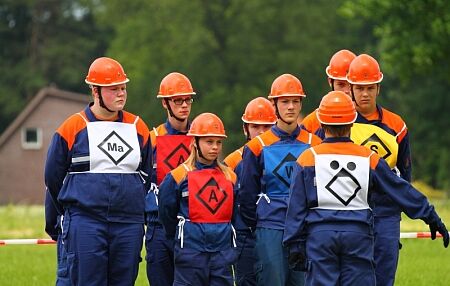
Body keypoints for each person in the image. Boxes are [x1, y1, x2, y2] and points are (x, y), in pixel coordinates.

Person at [283, 91, 449, 286]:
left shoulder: (306, 159)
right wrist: (430, 216)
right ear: (352, 123)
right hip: (358, 235)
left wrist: (294, 244)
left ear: (321, 123)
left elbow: (296, 208)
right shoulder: (369, 158)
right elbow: (400, 189)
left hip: (321, 237)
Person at [44, 57, 152, 285]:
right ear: (95, 91)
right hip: (86, 222)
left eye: (123, 88)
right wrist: (67, 216)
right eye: (114, 89)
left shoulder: (138, 128)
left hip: (129, 224)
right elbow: (52, 180)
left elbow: (146, 176)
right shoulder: (72, 127)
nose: (121, 94)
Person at [238, 74, 322, 286]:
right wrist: (264, 221)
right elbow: (246, 197)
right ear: (274, 105)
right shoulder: (256, 147)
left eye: (295, 101)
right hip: (270, 228)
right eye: (285, 101)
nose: (291, 107)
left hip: (306, 229)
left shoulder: (316, 144)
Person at [346, 54, 412, 286]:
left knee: (384, 279)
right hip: (350, 212)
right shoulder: (338, 123)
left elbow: (405, 176)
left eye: (370, 88)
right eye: (360, 88)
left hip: (386, 213)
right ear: (351, 89)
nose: (365, 94)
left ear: (378, 89)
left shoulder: (397, 125)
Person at [159, 112, 238, 286]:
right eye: (209, 142)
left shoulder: (230, 177)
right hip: (190, 255)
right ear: (195, 142)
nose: (215, 147)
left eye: (218, 142)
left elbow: (236, 215)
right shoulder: (177, 176)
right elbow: (166, 214)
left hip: (222, 256)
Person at [145, 72, 195, 286]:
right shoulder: (151, 139)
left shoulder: (201, 137)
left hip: (193, 225)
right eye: (178, 100)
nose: (184, 105)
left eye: (188, 100)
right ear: (165, 103)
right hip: (158, 227)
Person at [223, 97, 277, 286]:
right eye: (256, 127)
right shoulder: (232, 162)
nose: (261, 133)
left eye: (266, 127)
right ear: (246, 128)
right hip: (245, 237)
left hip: (276, 233)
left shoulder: (282, 156)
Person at [301, 49, 356, 138]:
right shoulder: (311, 123)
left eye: (350, 85)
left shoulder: (373, 120)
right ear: (330, 81)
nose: (347, 91)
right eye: (341, 84)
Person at [44, 190, 69, 286]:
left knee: (67, 279)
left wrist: (56, 232)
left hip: (69, 235)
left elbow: (52, 183)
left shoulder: (63, 175)